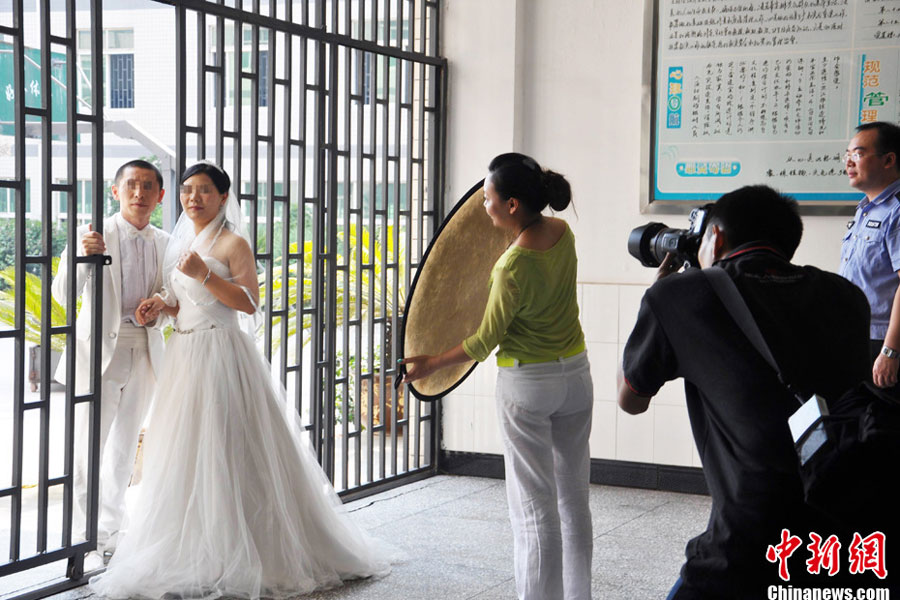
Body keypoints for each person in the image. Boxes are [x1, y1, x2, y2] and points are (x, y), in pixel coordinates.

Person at [89, 162, 390, 599]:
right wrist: (161, 305)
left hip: (222, 354)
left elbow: (249, 303)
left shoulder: (234, 242)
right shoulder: (180, 242)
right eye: (188, 190)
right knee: (186, 452)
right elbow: (182, 300)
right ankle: (192, 546)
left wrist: (205, 274)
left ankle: (250, 547)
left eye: (205, 191)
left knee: (229, 448)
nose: (194, 198)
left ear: (223, 197)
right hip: (185, 354)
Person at [618, 186, 871, 599]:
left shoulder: (680, 296)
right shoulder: (846, 296)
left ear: (715, 238)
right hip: (845, 527)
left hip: (747, 539)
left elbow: (632, 399)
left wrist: (658, 299)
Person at [402, 153, 593, 600]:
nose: (482, 206)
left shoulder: (511, 266)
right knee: (573, 499)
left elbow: (484, 341)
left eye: (488, 199)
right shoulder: (564, 234)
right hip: (577, 378)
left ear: (511, 206)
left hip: (528, 386)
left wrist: (430, 364)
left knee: (533, 508)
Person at [51, 159, 169, 560]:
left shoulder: (167, 242)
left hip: (146, 350)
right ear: (116, 191)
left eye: (148, 186)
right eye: (132, 185)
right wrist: (83, 258)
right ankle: (83, 537)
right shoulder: (93, 234)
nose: (140, 193)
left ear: (160, 195)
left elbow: (175, 298)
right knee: (88, 450)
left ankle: (110, 536)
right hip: (97, 352)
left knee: (122, 452)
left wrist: (161, 305)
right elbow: (62, 295)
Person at [839, 121, 900, 396]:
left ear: (889, 160)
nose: (849, 162)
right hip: (856, 337)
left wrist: (891, 351)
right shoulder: (867, 209)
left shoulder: (896, 211)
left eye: (859, 154)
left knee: (882, 429)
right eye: (848, 154)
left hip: (883, 343)